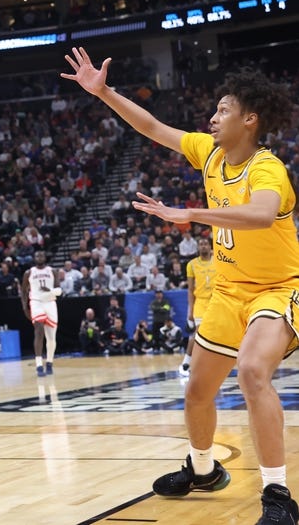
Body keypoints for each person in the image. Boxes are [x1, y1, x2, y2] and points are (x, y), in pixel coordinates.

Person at [63, 49, 299, 519]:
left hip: (278, 289)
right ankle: (204, 469)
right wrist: (103, 92)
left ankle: (277, 495)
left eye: (223, 110)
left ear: (250, 120)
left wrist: (191, 213)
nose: (212, 118)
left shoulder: (266, 168)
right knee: (196, 389)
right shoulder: (210, 155)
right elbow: (152, 127)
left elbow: (260, 214)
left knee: (253, 372)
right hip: (229, 292)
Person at [180, 235, 216, 376]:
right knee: (197, 334)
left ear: (210, 246)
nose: (203, 246)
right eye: (201, 244)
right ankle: (186, 363)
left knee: (214, 335)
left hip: (215, 302)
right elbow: (190, 290)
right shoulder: (192, 264)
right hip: (200, 302)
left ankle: (208, 364)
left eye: (206, 244)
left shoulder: (218, 261)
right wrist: (190, 310)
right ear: (198, 247)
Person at [21, 250, 60, 376]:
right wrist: (25, 308)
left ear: (45, 257)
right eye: (37, 255)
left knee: (51, 337)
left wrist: (49, 291)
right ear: (34, 258)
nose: (39, 257)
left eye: (41, 255)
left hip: (50, 303)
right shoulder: (29, 273)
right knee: (38, 331)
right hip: (36, 303)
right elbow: (23, 292)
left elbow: (59, 290)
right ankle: (38, 365)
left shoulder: (52, 271)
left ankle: (49, 362)